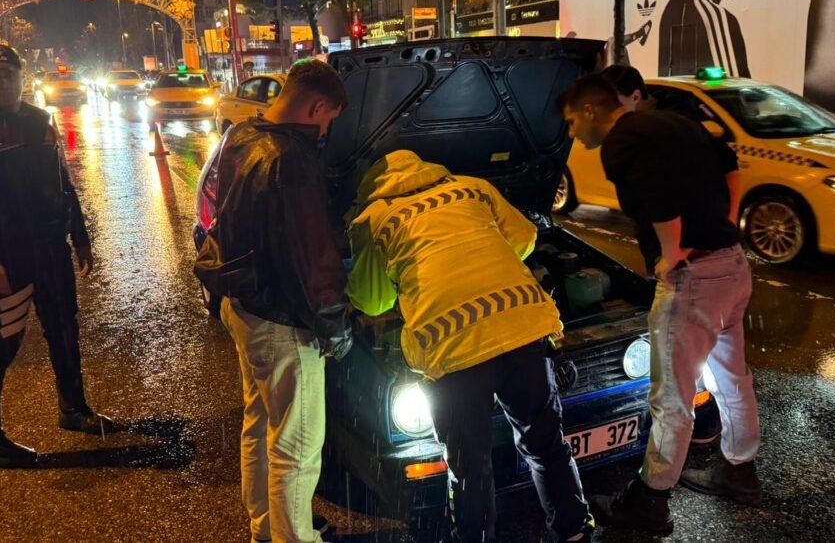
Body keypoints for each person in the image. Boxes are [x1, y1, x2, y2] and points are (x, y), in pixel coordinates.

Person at [345, 150, 594, 543]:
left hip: (452, 349)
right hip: (523, 327)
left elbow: (371, 301)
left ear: (372, 189)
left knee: (470, 464)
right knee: (545, 442)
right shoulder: (473, 188)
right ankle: (574, 531)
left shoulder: (373, 220)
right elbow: (526, 239)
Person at [557, 67, 761, 536]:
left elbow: (657, 196)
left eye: (571, 122)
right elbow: (729, 165)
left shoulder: (621, 141)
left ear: (591, 110)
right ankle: (740, 469)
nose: (571, 132)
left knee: (672, 398)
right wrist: (721, 228)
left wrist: (672, 255)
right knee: (734, 376)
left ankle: (649, 502)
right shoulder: (674, 120)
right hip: (732, 264)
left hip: (693, 281)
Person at [197, 59, 351, 543]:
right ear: (318, 106)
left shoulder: (241, 136)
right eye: (329, 120)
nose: (327, 130)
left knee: (260, 422)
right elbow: (313, 257)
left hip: (243, 305)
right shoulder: (291, 160)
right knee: (297, 449)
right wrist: (336, 328)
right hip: (285, 322)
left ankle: (264, 530)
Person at [0, 44, 111, 469]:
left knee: (64, 330)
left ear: (21, 76)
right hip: (8, 258)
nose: (1, 83)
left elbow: (62, 183)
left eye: (8, 74)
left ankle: (73, 409)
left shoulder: (39, 121)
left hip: (51, 250)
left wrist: (81, 238)